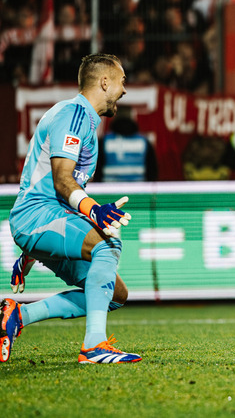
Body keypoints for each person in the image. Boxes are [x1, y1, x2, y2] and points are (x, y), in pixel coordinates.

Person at [2, 54, 140, 364]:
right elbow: (62, 181)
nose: (124, 90)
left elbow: (60, 189)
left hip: (44, 220)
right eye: (121, 81)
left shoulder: (84, 122)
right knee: (109, 244)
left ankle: (18, 316)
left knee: (115, 295)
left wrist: (29, 254)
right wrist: (94, 211)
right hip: (36, 216)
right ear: (104, 82)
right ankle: (94, 346)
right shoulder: (74, 114)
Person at [95, 108, 159, 182]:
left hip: (110, 190)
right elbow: (152, 171)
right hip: (138, 189)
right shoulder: (143, 141)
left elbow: (96, 170)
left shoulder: (105, 141)